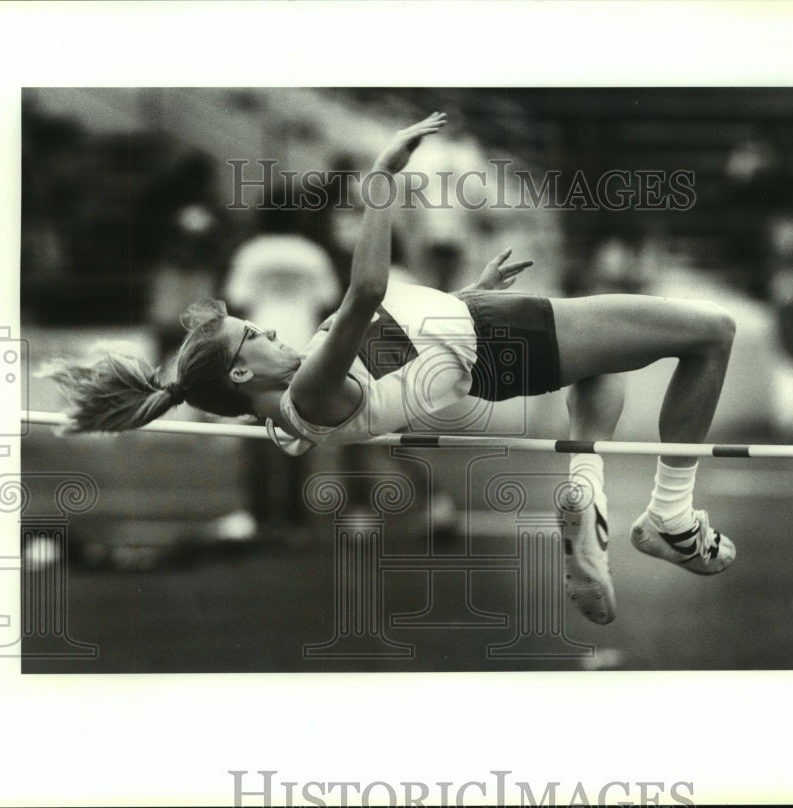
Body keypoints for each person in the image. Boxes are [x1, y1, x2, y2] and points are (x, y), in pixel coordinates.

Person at [48, 112, 737, 625]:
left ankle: (591, 493)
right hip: (495, 338)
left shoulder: (300, 412)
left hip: (486, 334)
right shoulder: (313, 390)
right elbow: (368, 294)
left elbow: (400, 346)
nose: (267, 329)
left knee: (602, 371)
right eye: (252, 333)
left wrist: (466, 291)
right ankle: (671, 518)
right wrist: (380, 180)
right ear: (238, 375)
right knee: (712, 333)